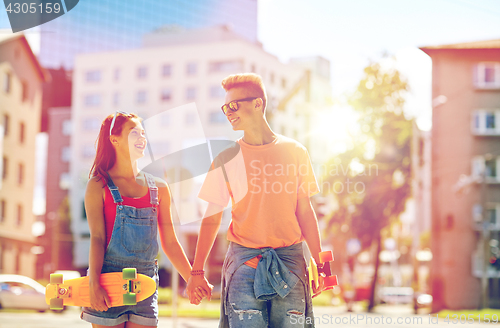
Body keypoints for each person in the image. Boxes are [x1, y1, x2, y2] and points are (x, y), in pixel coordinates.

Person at [186, 73, 326, 328]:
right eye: (224, 107)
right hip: (244, 267)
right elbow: (211, 216)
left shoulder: (295, 152)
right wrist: (196, 271)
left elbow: (305, 210)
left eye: (233, 105)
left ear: (258, 104)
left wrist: (320, 262)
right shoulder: (226, 158)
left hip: (291, 265)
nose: (228, 112)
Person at [82, 111, 212, 328]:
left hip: (145, 284)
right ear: (114, 139)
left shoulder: (159, 187)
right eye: (134, 133)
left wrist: (193, 278)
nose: (142, 138)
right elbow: (97, 238)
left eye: (143, 133)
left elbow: (170, 242)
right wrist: (94, 283)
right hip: (108, 281)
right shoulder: (98, 185)